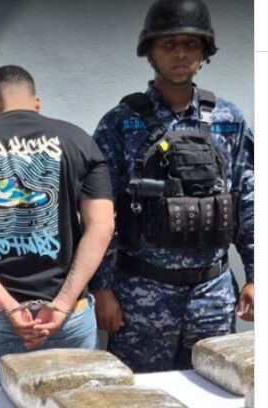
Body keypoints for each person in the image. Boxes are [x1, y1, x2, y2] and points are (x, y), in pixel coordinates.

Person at [89, 0, 254, 373]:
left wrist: (256, 276)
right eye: (168, 44)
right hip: (141, 296)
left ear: (204, 52)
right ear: (150, 51)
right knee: (140, 393)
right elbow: (100, 209)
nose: (180, 53)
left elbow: (248, 200)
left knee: (215, 388)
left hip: (212, 294)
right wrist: (101, 288)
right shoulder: (120, 123)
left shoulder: (228, 118)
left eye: (191, 44)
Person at [0, 65, 114, 388]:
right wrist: (62, 305)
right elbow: (102, 226)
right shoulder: (79, 142)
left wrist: (8, 308)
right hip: (67, 313)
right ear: (37, 103)